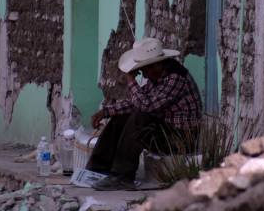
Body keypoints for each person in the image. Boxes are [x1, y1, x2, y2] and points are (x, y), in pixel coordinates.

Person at [86, 37, 203, 191]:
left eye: (145, 70)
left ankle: (122, 175)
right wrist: (106, 112)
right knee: (122, 117)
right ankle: (99, 167)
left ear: (157, 65)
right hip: (165, 131)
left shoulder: (176, 78)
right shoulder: (159, 76)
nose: (145, 76)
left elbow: (146, 107)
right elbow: (135, 102)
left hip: (180, 139)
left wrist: (130, 80)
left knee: (140, 118)